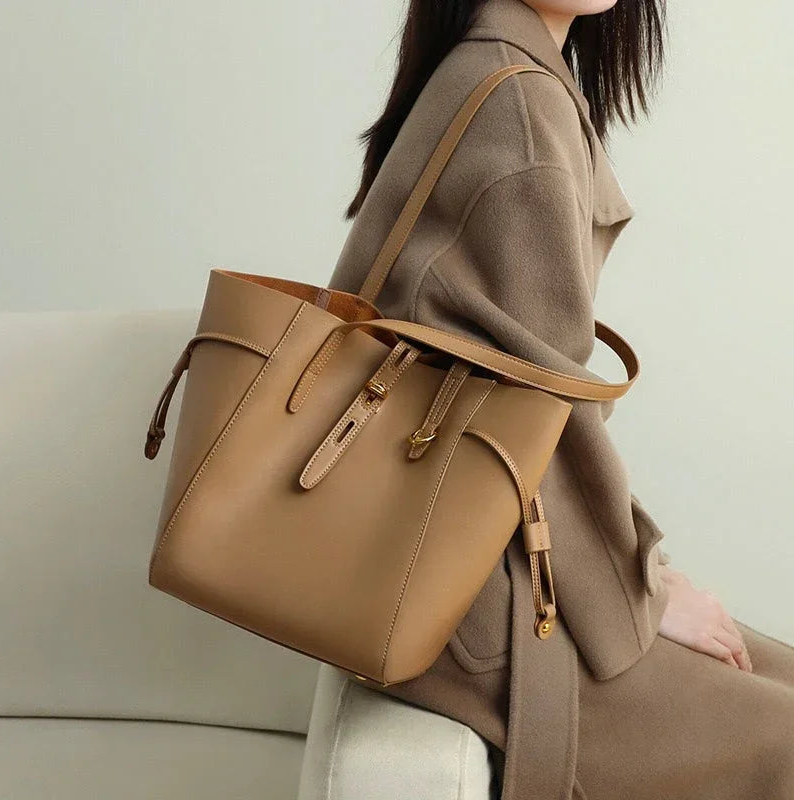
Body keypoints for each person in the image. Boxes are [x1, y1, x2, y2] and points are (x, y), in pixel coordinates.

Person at [327, 0, 794, 797]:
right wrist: (644, 597)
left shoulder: (499, 69)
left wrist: (646, 580)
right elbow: (542, 420)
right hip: (473, 605)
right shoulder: (517, 102)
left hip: (457, 561)